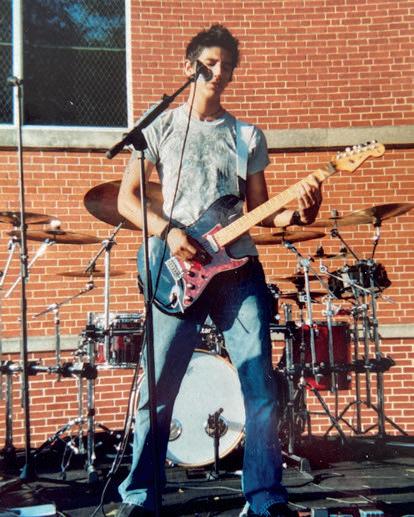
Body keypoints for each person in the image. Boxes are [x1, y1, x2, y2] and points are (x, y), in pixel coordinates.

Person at [116, 24, 322, 517]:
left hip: (237, 273)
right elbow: (127, 200)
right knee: (157, 389)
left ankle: (266, 498)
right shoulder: (158, 129)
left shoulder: (247, 135)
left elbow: (262, 212)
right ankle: (141, 497)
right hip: (178, 269)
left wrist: (301, 213)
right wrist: (168, 232)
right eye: (210, 63)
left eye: (227, 65)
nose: (219, 72)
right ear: (188, 67)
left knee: (259, 386)